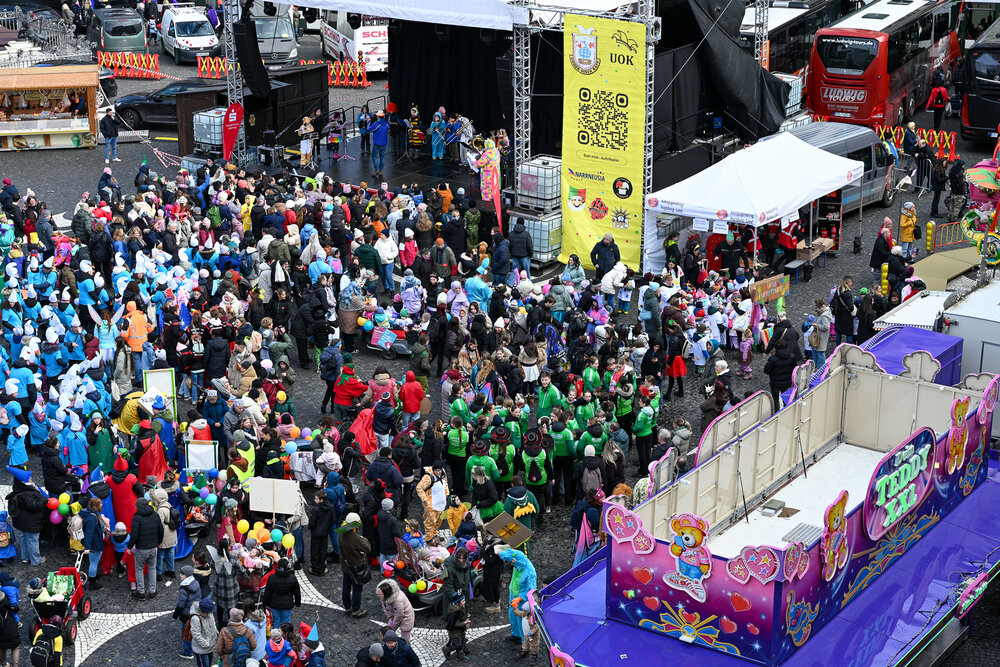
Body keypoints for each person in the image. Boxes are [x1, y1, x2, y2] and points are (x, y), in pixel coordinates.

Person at [339, 511, 371, 617]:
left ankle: (347, 607)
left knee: (346, 586)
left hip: (345, 565)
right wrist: (363, 538)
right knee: (357, 588)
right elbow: (368, 548)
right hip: (356, 566)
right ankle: (356, 610)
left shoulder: (341, 532)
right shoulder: (356, 538)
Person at [261, 558, 301, 628]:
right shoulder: (292, 578)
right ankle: (285, 637)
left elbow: (267, 592)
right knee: (286, 622)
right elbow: (297, 592)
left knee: (276, 621)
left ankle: (276, 637)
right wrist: (297, 602)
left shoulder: (272, 578)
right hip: (287, 604)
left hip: (274, 604)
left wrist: (265, 604)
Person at [190, 598, 219, 667]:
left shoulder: (209, 612)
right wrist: (205, 644)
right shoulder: (195, 619)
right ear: (203, 611)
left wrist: (216, 633)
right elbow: (196, 635)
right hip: (202, 649)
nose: (210, 614)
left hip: (210, 645)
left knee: (208, 664)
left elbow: (213, 623)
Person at [443, 591, 471, 662]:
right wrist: (464, 623)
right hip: (455, 633)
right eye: (463, 601)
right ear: (458, 603)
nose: (464, 602)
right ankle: (446, 649)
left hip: (460, 631)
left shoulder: (458, 608)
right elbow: (455, 624)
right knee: (457, 644)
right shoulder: (454, 613)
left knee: (461, 643)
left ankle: (460, 655)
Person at [369, 110, 391, 180]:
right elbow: (389, 127)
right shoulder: (387, 123)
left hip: (377, 143)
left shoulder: (376, 124)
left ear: (378, 116)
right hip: (384, 143)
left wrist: (368, 122)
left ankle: (377, 170)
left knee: (374, 156)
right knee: (382, 157)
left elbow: (368, 129)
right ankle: (381, 171)